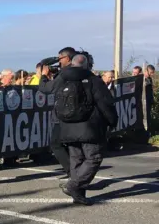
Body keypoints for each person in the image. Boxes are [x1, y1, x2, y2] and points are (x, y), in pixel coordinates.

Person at [47, 54, 118, 205]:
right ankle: (73, 186)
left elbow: (46, 90)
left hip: (67, 126)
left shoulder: (62, 79)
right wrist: (113, 121)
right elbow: (105, 104)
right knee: (94, 158)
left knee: (76, 159)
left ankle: (78, 195)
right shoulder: (93, 81)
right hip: (89, 126)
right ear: (86, 65)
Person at [39, 47, 76, 178]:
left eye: (60, 58)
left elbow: (46, 88)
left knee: (56, 144)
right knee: (70, 144)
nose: (58, 62)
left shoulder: (66, 73)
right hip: (73, 113)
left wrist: (43, 75)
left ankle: (72, 172)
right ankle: (74, 170)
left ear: (67, 58)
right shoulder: (78, 71)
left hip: (62, 114)